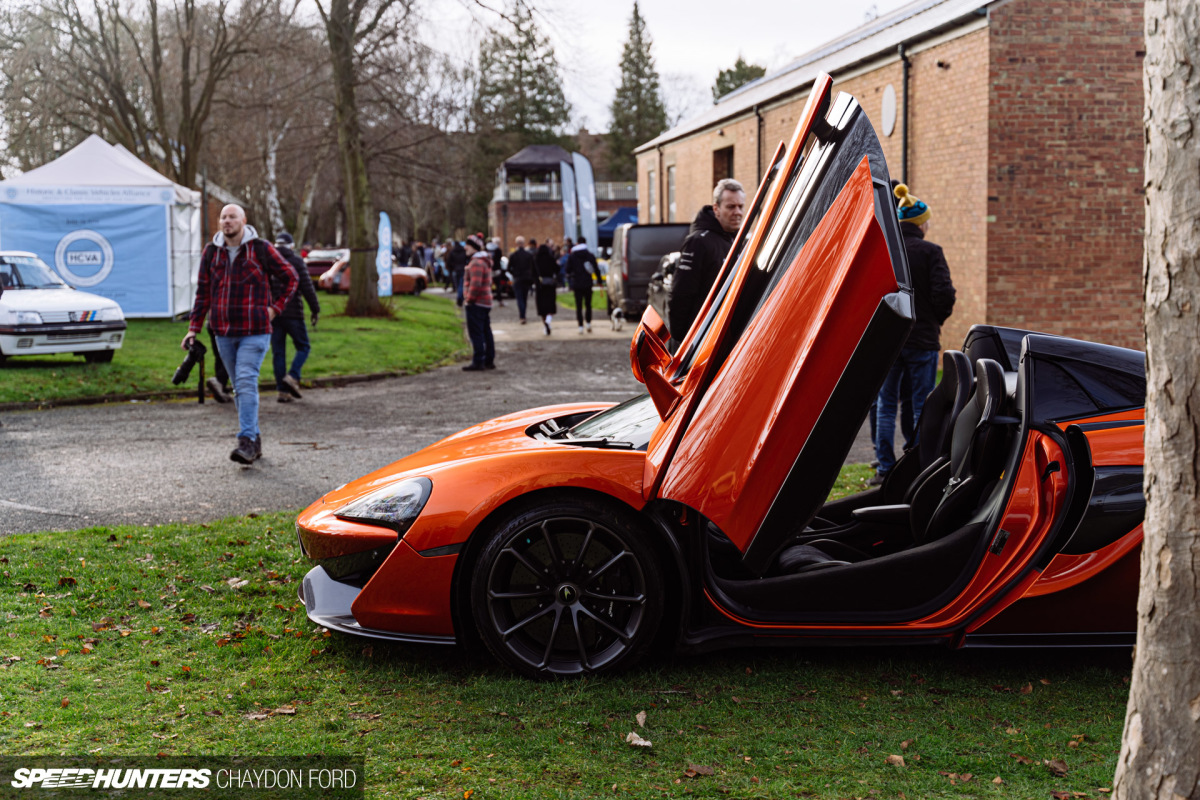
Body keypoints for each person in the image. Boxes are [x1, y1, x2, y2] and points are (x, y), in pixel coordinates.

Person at [182, 204, 297, 464]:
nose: (227, 221)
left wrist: (275, 309)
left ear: (244, 220)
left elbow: (291, 277)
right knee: (239, 388)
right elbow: (203, 292)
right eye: (223, 217)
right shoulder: (212, 252)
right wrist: (193, 328)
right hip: (223, 331)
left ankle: (245, 441)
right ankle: (254, 440)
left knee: (245, 381)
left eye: (232, 217)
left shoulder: (261, 249)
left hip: (254, 330)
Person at [872, 184, 957, 485]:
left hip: (889, 341)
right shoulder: (931, 252)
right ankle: (918, 463)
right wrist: (935, 320)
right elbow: (944, 294)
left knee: (886, 404)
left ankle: (884, 466)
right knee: (921, 403)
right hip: (922, 340)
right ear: (922, 224)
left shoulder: (887, 252)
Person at [667, 178, 746, 345]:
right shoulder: (698, 242)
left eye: (740, 206)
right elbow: (681, 294)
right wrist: (683, 341)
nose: (737, 212)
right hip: (699, 341)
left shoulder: (739, 242)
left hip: (726, 336)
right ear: (716, 208)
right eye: (731, 207)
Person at [269, 232, 321, 404]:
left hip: (274, 314)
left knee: (278, 352)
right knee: (303, 346)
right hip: (293, 313)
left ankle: (282, 392)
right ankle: (293, 376)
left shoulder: (269, 261)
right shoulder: (297, 262)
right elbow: (307, 287)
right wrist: (315, 309)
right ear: (291, 246)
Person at [461, 235, 495, 371]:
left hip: (477, 302)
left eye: (468, 245)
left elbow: (475, 284)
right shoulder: (484, 261)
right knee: (486, 331)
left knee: (476, 333)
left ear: (474, 247)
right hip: (485, 301)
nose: (465, 248)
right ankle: (489, 359)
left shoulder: (476, 262)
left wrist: (469, 299)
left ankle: (478, 361)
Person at [566, 236, 602, 333]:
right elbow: (596, 269)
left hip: (577, 283)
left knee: (579, 306)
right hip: (587, 283)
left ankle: (580, 326)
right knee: (588, 304)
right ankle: (588, 323)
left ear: (577, 243)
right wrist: (599, 280)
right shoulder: (590, 255)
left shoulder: (572, 256)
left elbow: (567, 269)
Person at [507, 236, 535, 324]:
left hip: (518, 278)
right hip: (526, 278)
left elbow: (508, 268)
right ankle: (523, 315)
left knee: (519, 298)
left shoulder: (513, 255)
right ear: (523, 244)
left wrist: (514, 273)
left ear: (516, 244)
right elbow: (533, 267)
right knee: (524, 297)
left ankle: (522, 316)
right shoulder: (529, 255)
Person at [534, 238, 559, 335]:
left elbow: (533, 272)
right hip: (550, 284)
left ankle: (545, 324)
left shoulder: (536, 259)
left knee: (542, 306)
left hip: (540, 285)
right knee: (550, 304)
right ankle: (549, 320)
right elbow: (557, 269)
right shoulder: (551, 258)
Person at [446, 239, 468, 306]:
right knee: (461, 284)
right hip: (462, 269)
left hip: (455, 269)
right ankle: (460, 297)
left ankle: (459, 297)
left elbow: (449, 261)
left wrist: (451, 268)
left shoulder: (452, 252)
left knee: (458, 284)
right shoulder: (463, 251)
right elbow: (466, 259)